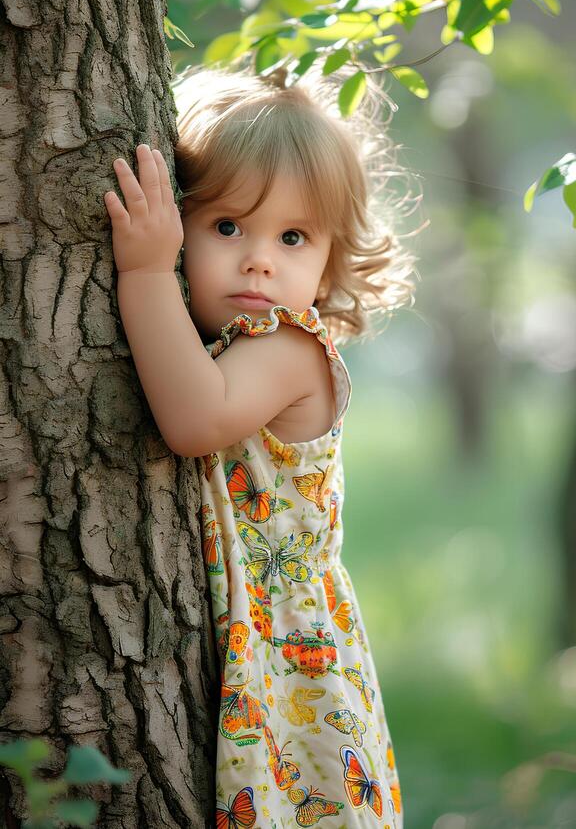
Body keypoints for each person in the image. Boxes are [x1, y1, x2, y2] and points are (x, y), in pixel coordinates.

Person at [103, 53, 423, 828]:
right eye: (226, 225)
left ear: (329, 257)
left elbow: (193, 421)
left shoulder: (289, 348)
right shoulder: (233, 340)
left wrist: (145, 273)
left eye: (292, 237)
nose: (259, 258)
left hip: (293, 665)